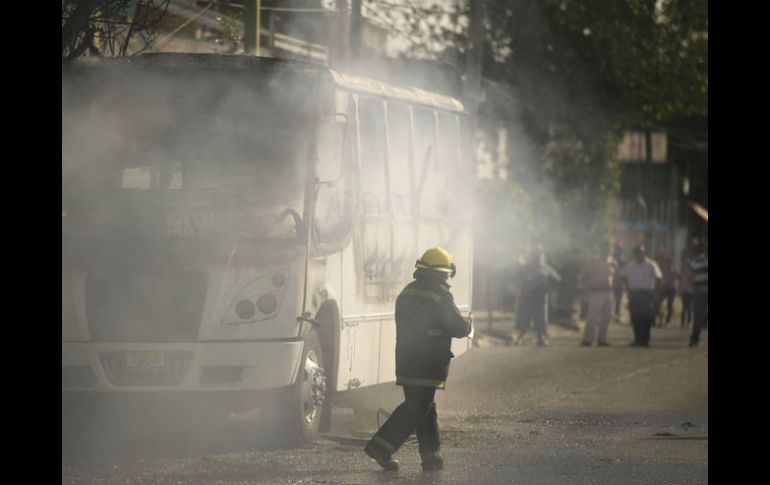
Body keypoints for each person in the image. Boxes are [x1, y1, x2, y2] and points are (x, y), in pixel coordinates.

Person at [364, 247, 472, 472]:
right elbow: (458, 327)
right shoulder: (439, 294)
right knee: (416, 407)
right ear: (441, 273)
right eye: (445, 274)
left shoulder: (407, 292)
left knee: (424, 406)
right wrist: (468, 324)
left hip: (406, 361)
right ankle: (381, 446)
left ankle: (431, 457)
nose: (446, 278)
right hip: (428, 363)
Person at [514, 245, 562, 346]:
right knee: (524, 318)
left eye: (540, 255)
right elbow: (517, 279)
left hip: (540, 298)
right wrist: (520, 288)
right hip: (527, 297)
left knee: (541, 320)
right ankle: (520, 338)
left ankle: (541, 338)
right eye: (536, 255)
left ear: (543, 256)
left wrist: (549, 287)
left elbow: (557, 280)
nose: (538, 257)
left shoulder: (546, 268)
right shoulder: (525, 268)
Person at [621, 245, 662, 347]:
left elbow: (659, 278)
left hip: (646, 293)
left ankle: (645, 339)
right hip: (634, 293)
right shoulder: (630, 265)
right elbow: (623, 276)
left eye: (641, 252)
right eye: (637, 253)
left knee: (646, 317)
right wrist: (628, 287)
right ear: (634, 254)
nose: (639, 255)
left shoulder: (651, 265)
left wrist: (656, 292)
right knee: (635, 317)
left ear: (644, 253)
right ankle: (637, 339)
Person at [578, 242, 615, 346]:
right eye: (605, 250)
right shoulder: (593, 262)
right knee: (592, 317)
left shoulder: (612, 262)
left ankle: (602, 339)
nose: (607, 252)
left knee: (606, 318)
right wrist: (585, 288)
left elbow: (617, 275)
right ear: (601, 250)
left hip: (608, 292)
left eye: (609, 250)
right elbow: (584, 274)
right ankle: (588, 339)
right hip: (596, 291)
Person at [688, 240, 708, 348]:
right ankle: (694, 339)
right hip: (700, 290)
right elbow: (690, 275)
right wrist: (695, 288)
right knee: (698, 316)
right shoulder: (697, 260)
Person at [653, 251, 676, 327]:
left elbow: (676, 278)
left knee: (669, 305)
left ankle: (667, 321)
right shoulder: (661, 269)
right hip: (663, 289)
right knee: (658, 305)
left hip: (670, 289)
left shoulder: (672, 270)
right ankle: (660, 321)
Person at [612, 243, 626, 320]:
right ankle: (616, 313)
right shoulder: (613, 258)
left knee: (618, 298)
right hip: (615, 280)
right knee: (616, 298)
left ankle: (616, 313)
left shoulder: (620, 258)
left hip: (619, 280)